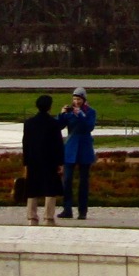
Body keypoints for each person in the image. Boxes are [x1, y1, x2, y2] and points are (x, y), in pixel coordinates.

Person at [21, 92, 64, 227]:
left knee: (32, 188)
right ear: (50, 107)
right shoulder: (53, 124)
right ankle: (48, 218)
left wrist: (26, 163)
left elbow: (25, 144)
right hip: (49, 161)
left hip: (33, 160)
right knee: (50, 189)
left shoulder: (29, 123)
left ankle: (31, 217)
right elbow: (58, 144)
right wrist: (60, 163)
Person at [58, 87, 97, 220]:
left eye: (79, 99)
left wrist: (79, 114)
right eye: (74, 99)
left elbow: (89, 126)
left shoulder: (91, 112)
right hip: (70, 148)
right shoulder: (70, 112)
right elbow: (58, 126)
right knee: (67, 180)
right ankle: (67, 208)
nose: (76, 101)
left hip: (84, 148)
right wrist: (62, 114)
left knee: (83, 182)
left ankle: (82, 211)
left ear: (84, 100)